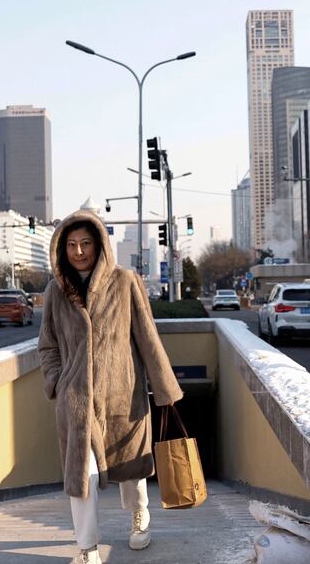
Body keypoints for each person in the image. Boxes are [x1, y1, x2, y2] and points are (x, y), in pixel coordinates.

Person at [38, 211, 184, 564]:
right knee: (81, 473)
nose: (78, 251)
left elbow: (147, 338)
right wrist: (56, 380)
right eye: (71, 245)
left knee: (131, 469)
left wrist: (165, 392)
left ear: (99, 244)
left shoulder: (125, 281)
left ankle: (139, 517)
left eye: (86, 243)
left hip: (123, 393)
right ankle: (87, 547)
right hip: (76, 401)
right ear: (61, 249)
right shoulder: (56, 291)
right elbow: (47, 345)